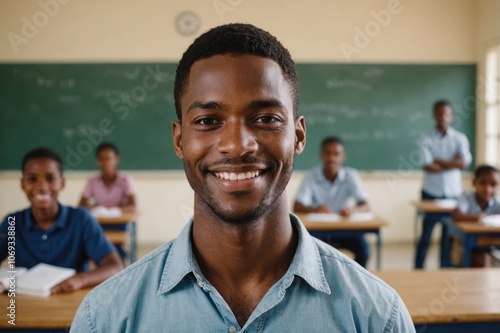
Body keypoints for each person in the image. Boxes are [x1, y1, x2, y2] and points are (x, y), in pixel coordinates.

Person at [71, 23, 414, 332]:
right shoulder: (106, 318)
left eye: (265, 118)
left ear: (298, 136)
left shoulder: (376, 317)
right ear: (179, 140)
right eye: (207, 121)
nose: (236, 146)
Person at [0, 148, 123, 294]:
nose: (41, 187)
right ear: (22, 184)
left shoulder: (80, 219)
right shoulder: (12, 222)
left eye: (50, 179)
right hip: (25, 306)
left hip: (71, 307)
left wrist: (81, 279)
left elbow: (115, 267)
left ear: (62, 183)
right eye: (32, 179)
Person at [293, 136, 371, 267]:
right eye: (328, 153)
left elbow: (365, 204)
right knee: (310, 255)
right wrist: (316, 209)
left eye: (337, 154)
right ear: (322, 155)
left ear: (343, 157)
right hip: (320, 233)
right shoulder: (311, 176)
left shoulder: (350, 175)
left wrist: (353, 210)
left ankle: (352, 280)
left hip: (346, 232)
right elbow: (297, 206)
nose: (332, 158)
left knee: (364, 252)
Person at [415, 100, 472, 269]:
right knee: (426, 235)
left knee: (448, 237)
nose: (443, 117)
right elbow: (427, 166)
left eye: (446, 113)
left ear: (451, 116)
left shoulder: (459, 138)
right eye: (439, 113)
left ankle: (444, 269)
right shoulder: (426, 138)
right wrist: (452, 163)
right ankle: (418, 268)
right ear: (434, 115)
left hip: (453, 194)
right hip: (430, 193)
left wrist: (439, 161)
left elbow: (464, 163)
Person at [451, 165, 500, 267]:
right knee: (480, 261)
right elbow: (457, 215)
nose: (488, 189)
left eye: (493, 184)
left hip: (488, 246)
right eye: (483, 183)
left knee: (485, 260)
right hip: (464, 245)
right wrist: (481, 217)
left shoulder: (496, 202)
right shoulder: (466, 198)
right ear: (474, 182)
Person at [79, 142, 136, 213]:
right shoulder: (93, 181)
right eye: (101, 159)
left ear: (116, 159)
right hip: (99, 220)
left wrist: (113, 209)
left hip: (120, 220)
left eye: (108, 158)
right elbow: (81, 205)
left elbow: (133, 205)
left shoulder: (125, 180)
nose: (105, 162)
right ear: (98, 161)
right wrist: (95, 208)